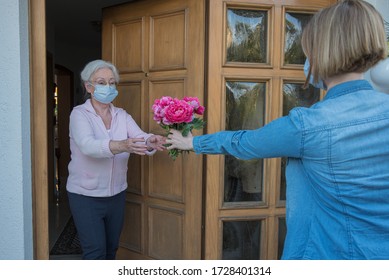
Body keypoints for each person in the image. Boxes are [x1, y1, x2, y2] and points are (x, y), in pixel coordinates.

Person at [166, 0, 389, 259]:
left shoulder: (308, 126)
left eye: (308, 52)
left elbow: (247, 142)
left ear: (322, 53)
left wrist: (193, 143)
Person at [66, 59, 165, 260]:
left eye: (112, 82)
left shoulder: (121, 115)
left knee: (111, 250)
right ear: (89, 87)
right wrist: (121, 145)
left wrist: (150, 140)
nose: (108, 87)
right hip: (85, 196)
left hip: (116, 194)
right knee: (95, 253)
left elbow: (139, 136)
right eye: (101, 82)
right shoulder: (79, 114)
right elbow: (87, 145)